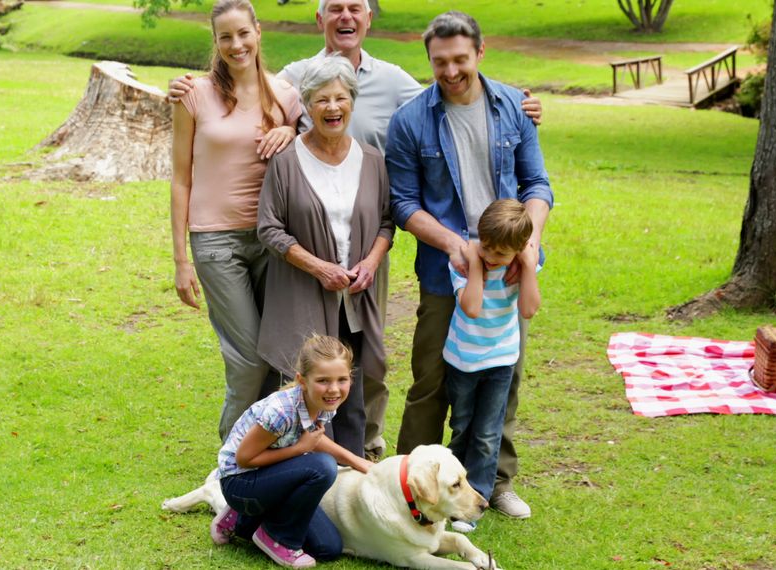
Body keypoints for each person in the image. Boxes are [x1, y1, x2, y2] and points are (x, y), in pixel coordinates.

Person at [169, 0, 544, 461]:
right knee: (278, 359)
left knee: (384, 360)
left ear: (368, 18)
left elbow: (445, 103)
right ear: (319, 19)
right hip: (268, 240)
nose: (332, 105)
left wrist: (518, 101)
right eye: (334, 8)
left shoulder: (389, 87)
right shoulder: (291, 78)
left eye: (355, 8)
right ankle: (248, 461)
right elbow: (255, 96)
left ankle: (369, 449)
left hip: (380, 248)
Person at [386, 11, 553, 519]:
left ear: (480, 52)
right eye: (440, 62)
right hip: (446, 273)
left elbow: (537, 185)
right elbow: (403, 203)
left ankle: (493, 483)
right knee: (432, 380)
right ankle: (408, 483)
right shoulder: (411, 120)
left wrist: (528, 243)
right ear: (429, 60)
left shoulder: (514, 107)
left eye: (461, 59)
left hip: (510, 271)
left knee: (504, 378)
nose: (451, 70)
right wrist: (453, 244)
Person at [170, 0, 303, 442]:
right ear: (216, 41)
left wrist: (292, 132)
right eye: (225, 36)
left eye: (243, 33)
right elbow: (181, 179)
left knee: (273, 353)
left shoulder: (285, 95)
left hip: (271, 238)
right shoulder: (193, 95)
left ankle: (262, 456)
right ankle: (231, 460)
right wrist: (180, 260)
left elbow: (317, 151)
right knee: (248, 357)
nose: (236, 44)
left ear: (258, 32)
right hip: (215, 242)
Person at [256, 56, 394, 458]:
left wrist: (370, 262)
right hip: (303, 291)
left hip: (356, 294)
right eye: (321, 100)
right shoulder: (285, 162)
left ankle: (350, 477)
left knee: (353, 389)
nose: (332, 108)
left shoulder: (372, 160)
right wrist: (317, 267)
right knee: (306, 392)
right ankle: (304, 473)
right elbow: (269, 228)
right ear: (307, 105)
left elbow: (387, 222)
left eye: (340, 98)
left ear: (352, 101)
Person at [210, 334, 372, 568]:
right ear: (302, 381)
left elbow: (314, 437)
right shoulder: (281, 412)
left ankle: (242, 521)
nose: (334, 389)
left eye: (342, 379)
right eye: (323, 380)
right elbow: (244, 458)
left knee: (328, 548)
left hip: (270, 478)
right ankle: (277, 537)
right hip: (240, 482)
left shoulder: (324, 402)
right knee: (323, 467)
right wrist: (299, 449)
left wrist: (356, 460)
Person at [443, 199, 541, 533]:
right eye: (486, 247)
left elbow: (528, 309)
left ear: (519, 250)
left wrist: (528, 266)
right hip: (462, 362)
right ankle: (452, 496)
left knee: (487, 434)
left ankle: (476, 502)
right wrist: (476, 265)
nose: (491, 257)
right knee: (462, 427)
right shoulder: (463, 262)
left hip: (500, 362)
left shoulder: (520, 266)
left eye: (501, 254)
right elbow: (470, 307)